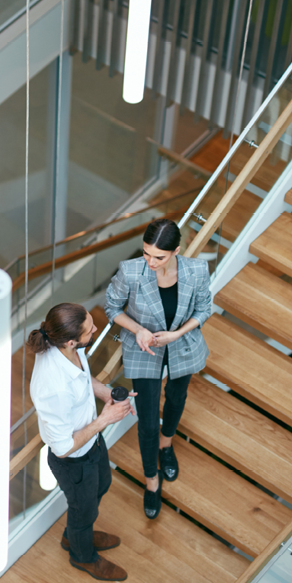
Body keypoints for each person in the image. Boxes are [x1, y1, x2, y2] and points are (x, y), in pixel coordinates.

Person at [104, 218, 211, 519]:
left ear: (176, 250)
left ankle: (167, 444)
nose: (150, 261)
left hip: (182, 345)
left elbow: (205, 309)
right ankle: (152, 479)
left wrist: (178, 333)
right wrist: (137, 329)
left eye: (159, 257)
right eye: (146, 253)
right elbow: (111, 307)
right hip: (144, 349)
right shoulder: (131, 270)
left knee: (177, 399)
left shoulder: (197, 271)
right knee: (147, 420)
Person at [28, 302, 135, 582]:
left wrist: (105, 394)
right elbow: (62, 447)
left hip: (91, 444)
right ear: (72, 340)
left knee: (103, 485)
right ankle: (81, 556)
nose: (97, 328)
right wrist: (105, 419)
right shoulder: (53, 388)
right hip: (73, 461)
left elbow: (84, 378)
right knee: (83, 510)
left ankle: (75, 534)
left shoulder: (66, 347)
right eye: (90, 329)